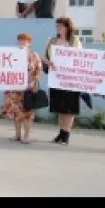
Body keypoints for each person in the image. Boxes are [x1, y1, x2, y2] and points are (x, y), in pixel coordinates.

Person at [42, 17, 81, 145]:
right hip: (56, 79)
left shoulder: (74, 41)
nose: (58, 28)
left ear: (67, 27)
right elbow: (45, 56)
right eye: (57, 26)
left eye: (61, 26)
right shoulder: (52, 41)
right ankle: (60, 133)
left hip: (70, 80)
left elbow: (80, 58)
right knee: (59, 107)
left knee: (69, 108)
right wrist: (48, 62)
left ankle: (66, 134)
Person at [0, 33, 42, 143]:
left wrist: (34, 81)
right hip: (14, 89)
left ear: (29, 43)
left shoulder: (34, 56)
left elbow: (38, 70)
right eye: (20, 41)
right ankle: (17, 135)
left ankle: (27, 135)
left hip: (28, 88)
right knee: (15, 112)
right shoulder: (12, 55)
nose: (22, 43)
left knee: (27, 113)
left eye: (24, 41)